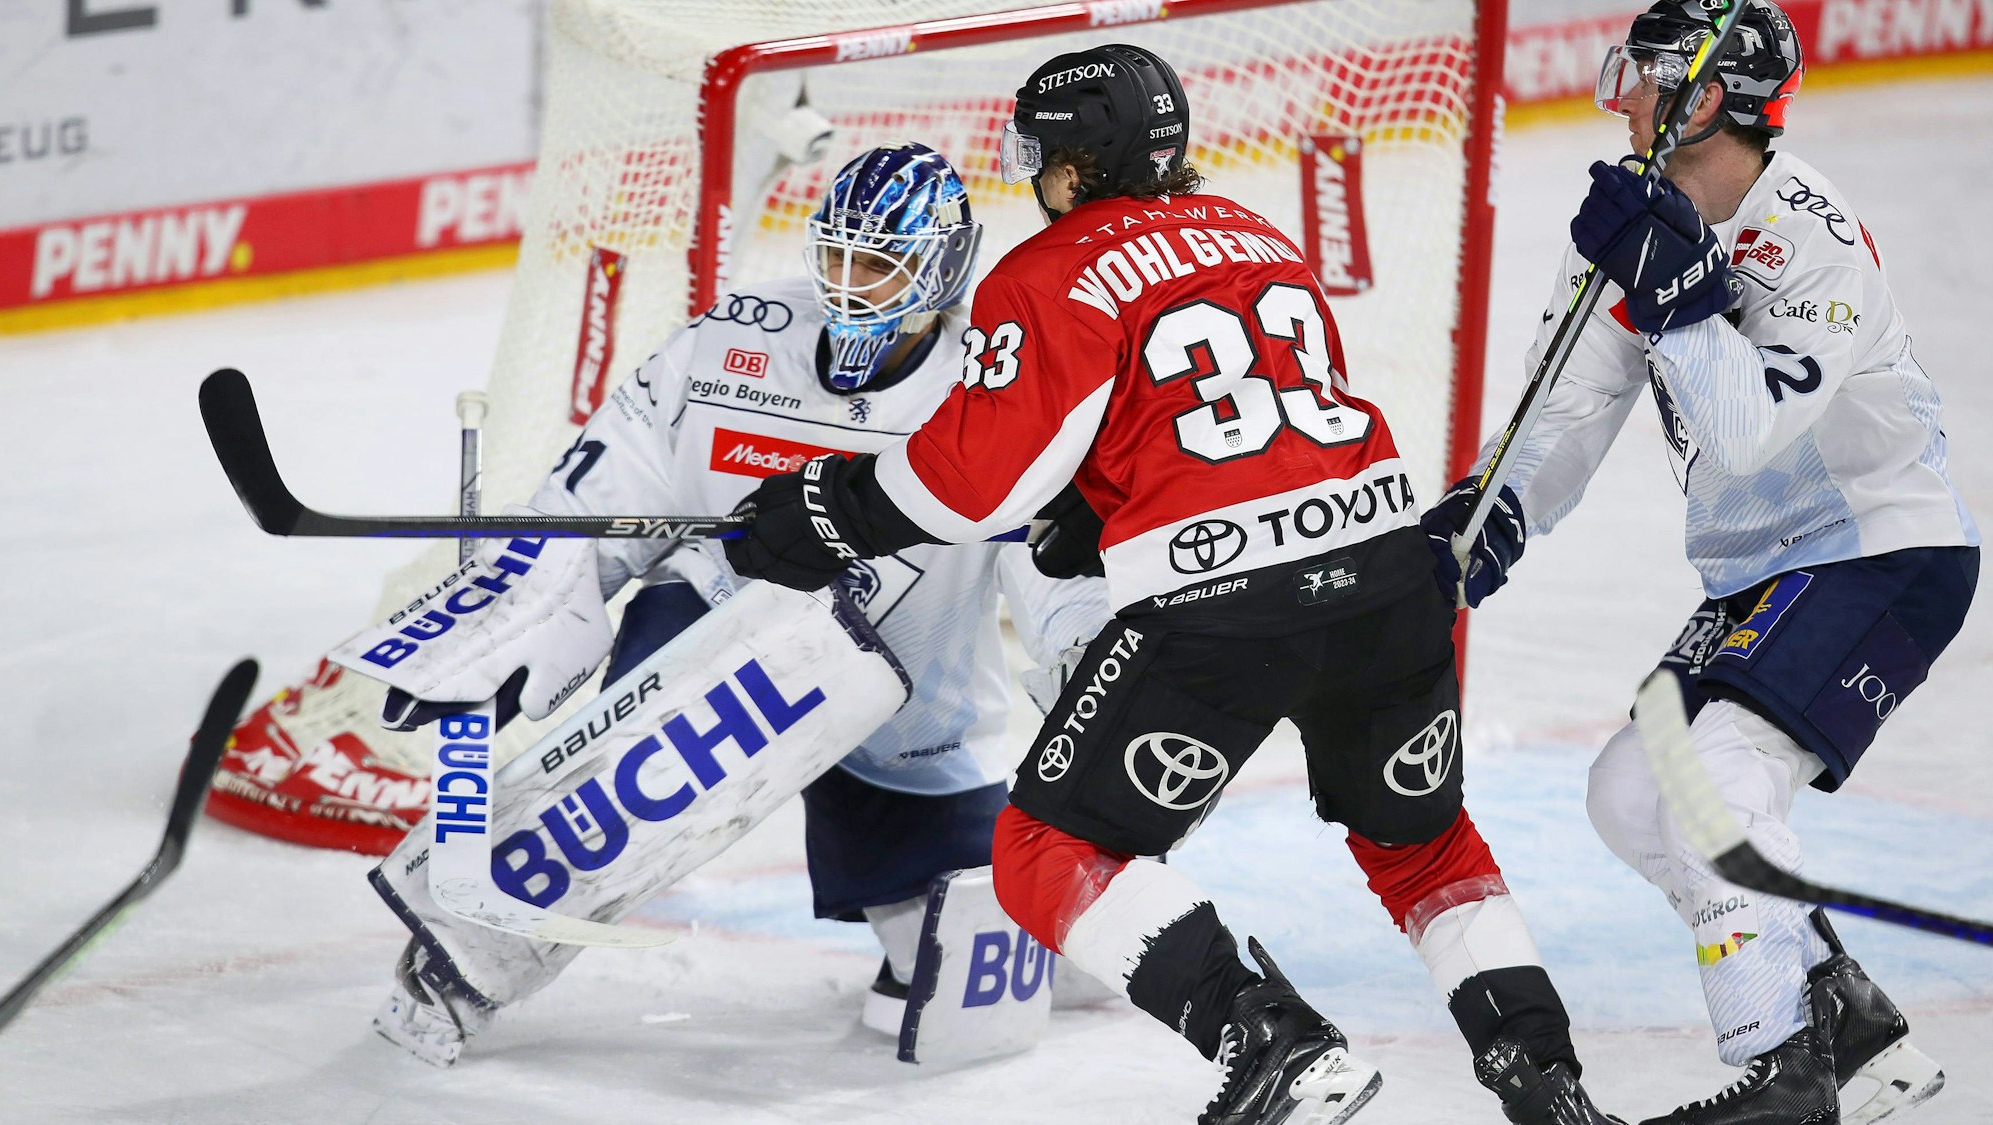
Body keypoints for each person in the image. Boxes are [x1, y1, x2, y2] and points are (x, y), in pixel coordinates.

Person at [725, 44, 1621, 1125]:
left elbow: (960, 489)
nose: (1033, 173)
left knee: (1045, 850)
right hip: (1388, 578)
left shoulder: (1046, 270)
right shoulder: (1257, 235)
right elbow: (1248, 430)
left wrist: (821, 510)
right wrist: (1098, 510)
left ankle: (1270, 1043)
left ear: (1075, 161)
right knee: (1422, 846)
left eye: (1041, 152)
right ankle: (1545, 1081)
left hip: (1225, 607)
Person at [366, 142, 1113, 1064]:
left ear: (942, 274)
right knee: (621, 793)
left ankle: (1015, 932)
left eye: (877, 266)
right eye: (835, 255)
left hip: (910, 681)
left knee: (959, 963)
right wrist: (524, 602)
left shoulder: (994, 381)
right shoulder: (739, 339)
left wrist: (1086, 641)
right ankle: (456, 962)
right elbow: (612, 479)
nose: (847, 286)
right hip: (714, 622)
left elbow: (1053, 545)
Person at [1423, 4, 1972, 1122]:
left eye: (1639, 75)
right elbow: (1567, 401)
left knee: (1716, 785)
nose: (1615, 93)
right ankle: (1850, 1030)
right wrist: (1493, 515)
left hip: (1879, 548)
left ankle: (1783, 1077)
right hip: (1757, 575)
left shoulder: (1805, 232)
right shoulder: (1645, 216)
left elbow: (1746, 427)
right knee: (1630, 794)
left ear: (1705, 96)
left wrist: (1674, 295)